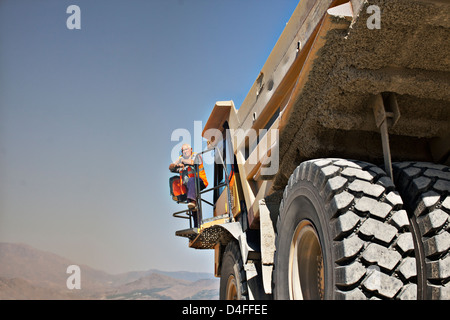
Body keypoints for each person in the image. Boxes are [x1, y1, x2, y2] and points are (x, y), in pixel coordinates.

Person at [169, 144, 208, 226]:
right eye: (183, 150)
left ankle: (192, 201)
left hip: (200, 181)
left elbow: (193, 162)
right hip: (190, 187)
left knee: (191, 181)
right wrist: (176, 165)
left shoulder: (196, 156)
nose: (185, 151)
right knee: (192, 206)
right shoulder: (180, 158)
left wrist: (183, 161)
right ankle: (197, 224)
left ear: (191, 149)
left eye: (186, 149)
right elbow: (171, 167)